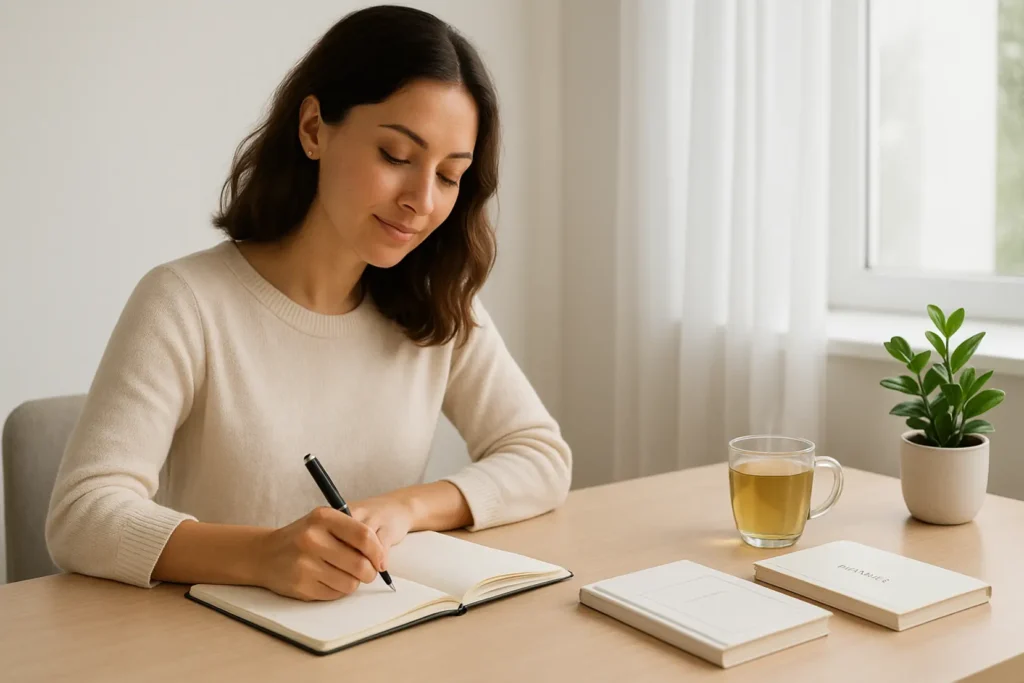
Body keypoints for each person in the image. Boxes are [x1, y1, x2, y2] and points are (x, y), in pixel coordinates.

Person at [44, 5, 571, 602]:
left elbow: (541, 457)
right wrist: (263, 555)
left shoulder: (436, 305)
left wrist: (404, 508)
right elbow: (81, 516)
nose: (421, 201)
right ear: (315, 129)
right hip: (206, 646)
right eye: (397, 157)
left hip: (370, 640)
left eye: (449, 176)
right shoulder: (186, 303)